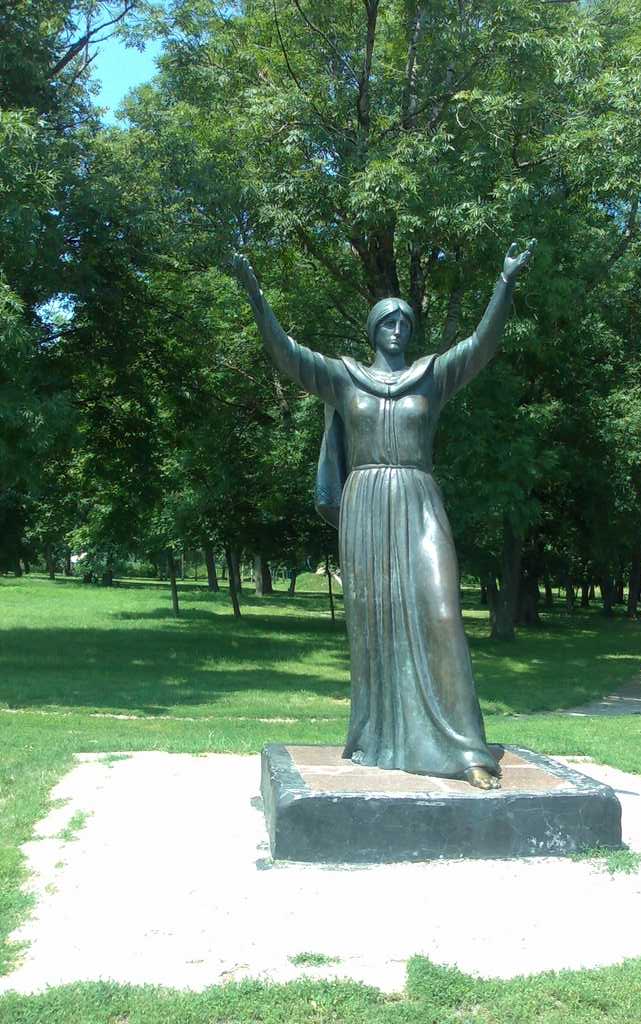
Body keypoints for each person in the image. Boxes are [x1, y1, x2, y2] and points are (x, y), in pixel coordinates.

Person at [231, 239, 535, 789]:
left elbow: (480, 346)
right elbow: (288, 354)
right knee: (377, 626)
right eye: (388, 321)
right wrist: (256, 296)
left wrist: (505, 283)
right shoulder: (343, 377)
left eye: (404, 321)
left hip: (418, 500)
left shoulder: (432, 375)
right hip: (366, 507)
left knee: (443, 614)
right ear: (373, 330)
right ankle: (383, 737)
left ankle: (466, 749)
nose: (397, 328)